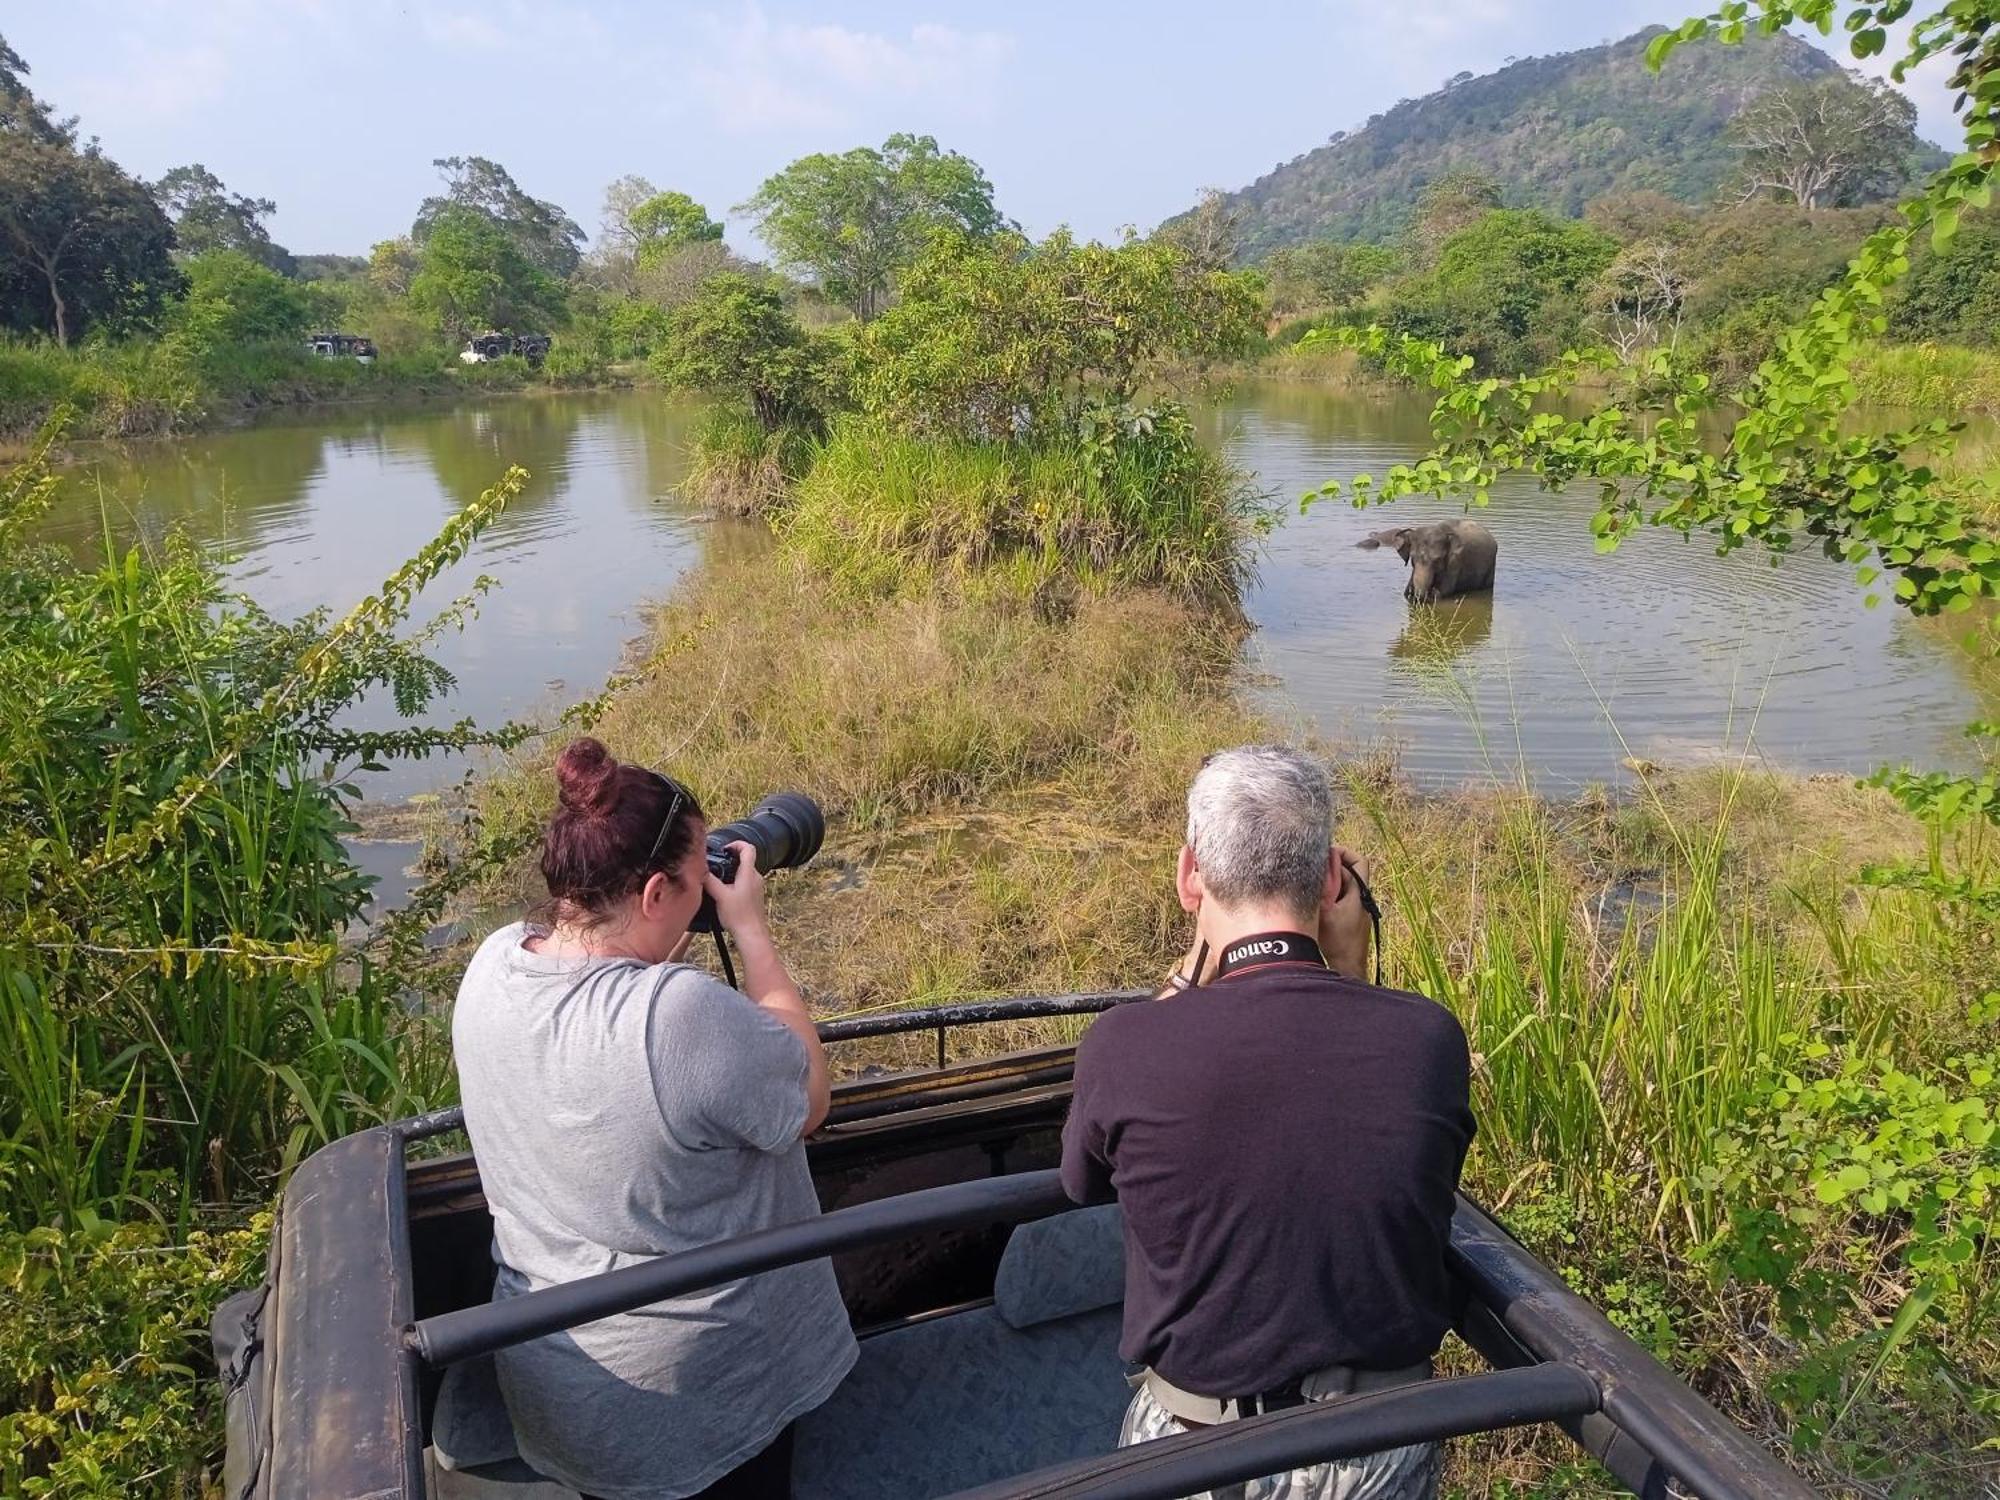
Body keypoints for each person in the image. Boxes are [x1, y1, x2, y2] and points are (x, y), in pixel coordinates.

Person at [1061, 744, 1475, 1500]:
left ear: (1191, 877)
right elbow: (1368, 1135)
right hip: (1377, 1443)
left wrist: (1189, 974)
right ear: (1328, 881)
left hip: (1191, 1451)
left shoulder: (1124, 1044)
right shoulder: (1428, 1038)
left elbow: (1082, 1183)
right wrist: (1352, 975)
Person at [452, 737, 856, 1500]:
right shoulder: (674, 1017)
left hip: (558, 1376)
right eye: (697, 871)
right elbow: (808, 1098)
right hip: (697, 1399)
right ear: (650, 896)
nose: (709, 886)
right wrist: (751, 930)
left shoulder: (494, 963)